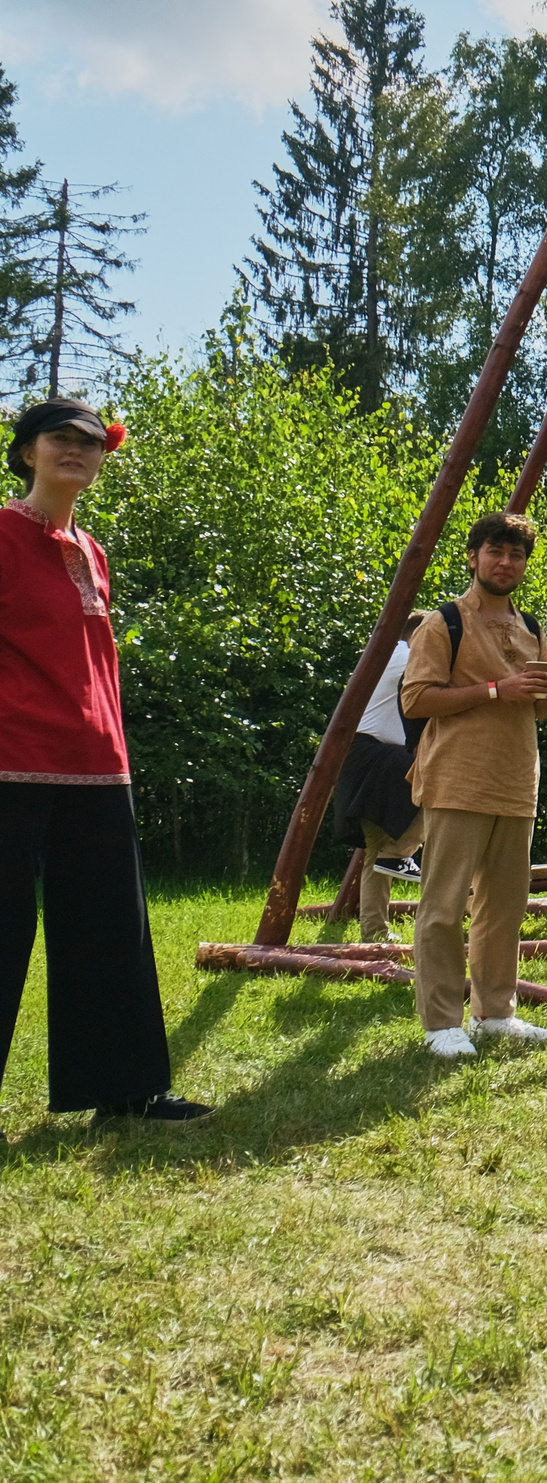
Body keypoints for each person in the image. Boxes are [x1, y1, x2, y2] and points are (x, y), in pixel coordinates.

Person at [0, 397, 211, 1123]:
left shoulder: (94, 551)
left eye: (92, 442)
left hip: (99, 764)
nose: (78, 451)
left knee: (110, 928)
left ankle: (125, 1090)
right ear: (27, 451)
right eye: (61, 438)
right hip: (10, 760)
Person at [400, 511, 547, 1059]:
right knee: (443, 906)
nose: (505, 562)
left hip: (517, 784)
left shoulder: (532, 628)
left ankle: (495, 1013)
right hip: (457, 781)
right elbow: (416, 699)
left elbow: (540, 708)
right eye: (495, 551)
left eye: (516, 555)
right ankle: (441, 1023)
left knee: (504, 908)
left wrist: (541, 692)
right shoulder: (442, 623)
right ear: (473, 557)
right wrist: (497, 690)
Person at [333, 610, 426, 943]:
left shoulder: (384, 659)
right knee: (441, 792)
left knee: (377, 850)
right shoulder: (406, 655)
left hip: (363, 756)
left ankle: (374, 932)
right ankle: (401, 853)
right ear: (417, 635)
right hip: (378, 756)